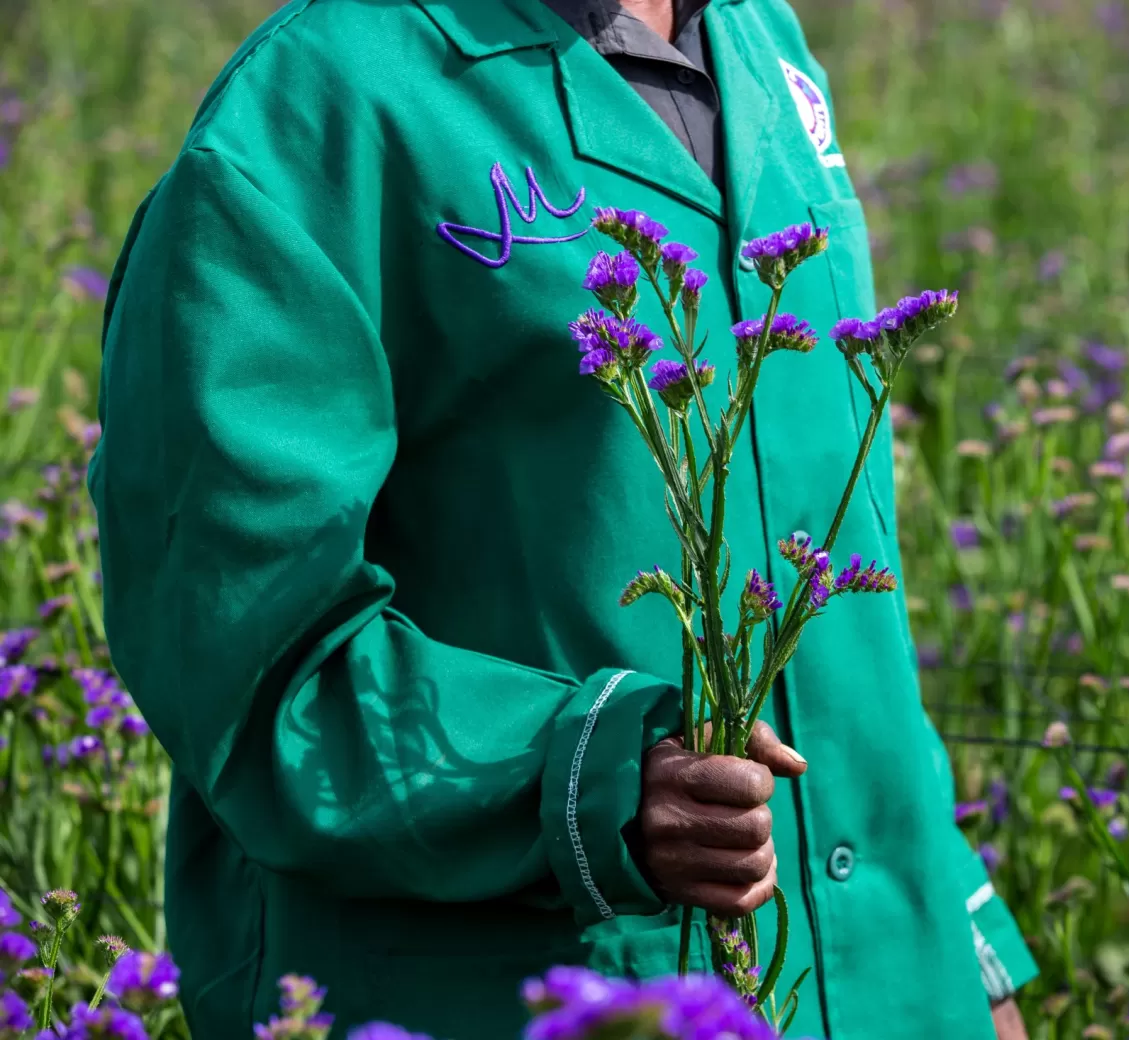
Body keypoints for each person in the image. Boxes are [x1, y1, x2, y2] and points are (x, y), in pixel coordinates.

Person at [87, 0, 1036, 1035]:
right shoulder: (316, 107)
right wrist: (595, 775)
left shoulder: (760, 40)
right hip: (512, 994)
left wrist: (964, 948)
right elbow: (245, 644)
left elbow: (836, 582)